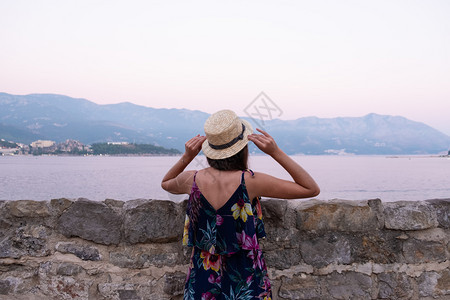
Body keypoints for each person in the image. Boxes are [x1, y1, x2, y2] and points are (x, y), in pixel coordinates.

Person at [161, 109, 319, 299]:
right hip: (246, 276)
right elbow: (310, 188)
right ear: (243, 148)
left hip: (203, 275)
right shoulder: (251, 181)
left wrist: (187, 156)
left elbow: (166, 183)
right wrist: (275, 152)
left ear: (210, 150)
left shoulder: (191, 179)